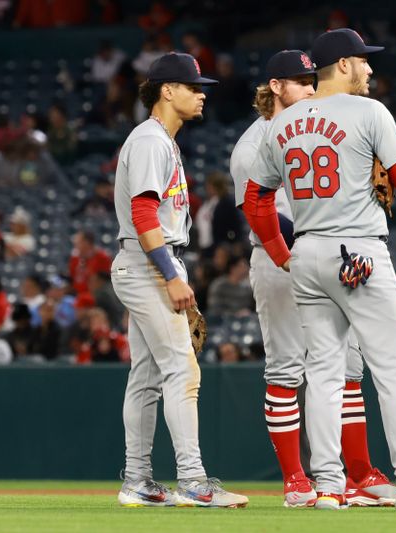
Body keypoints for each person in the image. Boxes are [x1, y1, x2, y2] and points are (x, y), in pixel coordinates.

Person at [242, 29, 396, 511]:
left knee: (322, 372)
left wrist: (281, 251)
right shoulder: (368, 111)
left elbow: (254, 199)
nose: (369, 68)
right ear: (342, 65)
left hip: (306, 252)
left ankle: (327, 485)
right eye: (363, 61)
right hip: (358, 249)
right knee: (392, 367)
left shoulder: (281, 124)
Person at [231, 49, 395, 507]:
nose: (310, 88)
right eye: (300, 82)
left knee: (348, 368)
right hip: (278, 256)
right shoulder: (255, 142)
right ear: (276, 87)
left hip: (327, 255)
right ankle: (295, 480)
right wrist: (291, 258)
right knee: (287, 368)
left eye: (311, 79)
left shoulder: (323, 126)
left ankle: (358, 473)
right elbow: (258, 210)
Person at [110, 52, 247, 508]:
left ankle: (138, 481)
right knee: (181, 371)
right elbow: (144, 211)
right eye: (193, 86)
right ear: (168, 90)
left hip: (148, 259)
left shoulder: (160, 140)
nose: (202, 93)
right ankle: (193, 480)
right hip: (151, 262)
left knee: (147, 378)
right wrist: (170, 275)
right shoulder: (151, 140)